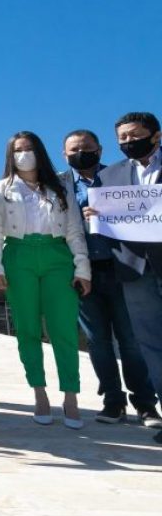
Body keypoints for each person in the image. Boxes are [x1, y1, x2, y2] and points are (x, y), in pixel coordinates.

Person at [0, 131, 91, 429]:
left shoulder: (60, 187)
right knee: (27, 328)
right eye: (18, 150)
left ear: (39, 151)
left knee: (63, 328)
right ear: (10, 155)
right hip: (19, 256)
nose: (24, 154)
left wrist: (83, 269)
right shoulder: (0, 189)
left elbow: (74, 231)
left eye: (29, 148)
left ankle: (71, 396)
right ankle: (39, 393)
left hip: (57, 255)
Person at [60, 129, 160, 426]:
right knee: (97, 341)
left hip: (122, 268)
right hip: (84, 273)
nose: (81, 152)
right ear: (64, 155)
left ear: (100, 150)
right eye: (74, 149)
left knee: (131, 341)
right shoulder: (60, 185)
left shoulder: (120, 178)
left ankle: (145, 403)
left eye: (87, 147)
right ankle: (112, 401)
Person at [92, 112, 162, 444]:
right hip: (135, 270)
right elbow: (107, 224)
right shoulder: (109, 177)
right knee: (151, 346)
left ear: (156, 135)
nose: (128, 143)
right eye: (122, 138)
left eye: (135, 135)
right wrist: (96, 216)